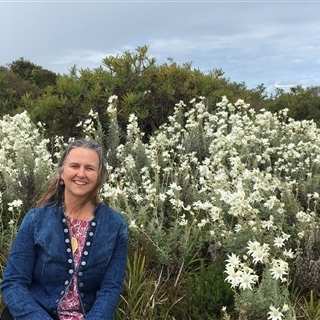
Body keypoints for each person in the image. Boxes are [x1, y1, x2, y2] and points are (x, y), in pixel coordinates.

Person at [0, 139, 128, 320]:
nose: (81, 174)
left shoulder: (115, 225)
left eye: (89, 168)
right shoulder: (36, 219)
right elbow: (13, 283)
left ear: (100, 177)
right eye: (74, 166)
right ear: (62, 174)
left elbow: (111, 287)